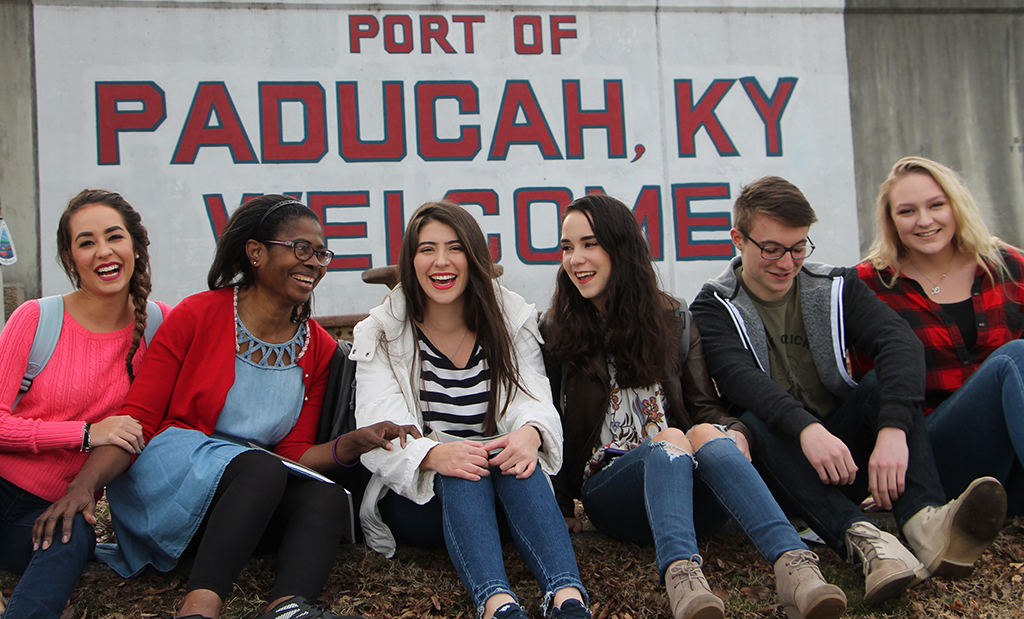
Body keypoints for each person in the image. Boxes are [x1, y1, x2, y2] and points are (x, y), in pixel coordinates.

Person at [33, 195, 416, 619]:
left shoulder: (318, 348)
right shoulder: (197, 314)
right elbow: (136, 422)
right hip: (171, 486)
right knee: (260, 467)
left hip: (242, 502)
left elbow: (294, 455)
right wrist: (83, 487)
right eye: (300, 249)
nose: (314, 263)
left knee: (323, 497)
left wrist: (352, 443)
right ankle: (199, 607)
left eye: (321, 253)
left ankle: (289, 606)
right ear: (255, 252)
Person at [690, 176, 1007, 606]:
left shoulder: (835, 286)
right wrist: (806, 429)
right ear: (738, 240)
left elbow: (899, 343)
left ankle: (925, 525)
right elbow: (741, 380)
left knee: (881, 384)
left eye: (799, 247)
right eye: (772, 249)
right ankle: (868, 542)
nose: (787, 262)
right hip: (778, 467)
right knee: (750, 421)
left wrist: (892, 430)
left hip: (843, 455)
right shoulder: (712, 305)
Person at [540, 194, 846, 619]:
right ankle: (683, 581)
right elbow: (549, 422)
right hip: (611, 493)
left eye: (589, 244)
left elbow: (705, 408)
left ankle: (796, 570)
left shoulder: (674, 319)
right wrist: (558, 505)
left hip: (687, 488)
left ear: (620, 247)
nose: (575, 258)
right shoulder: (556, 329)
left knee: (704, 433)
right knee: (670, 437)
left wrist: (735, 431)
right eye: (567, 247)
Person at [352, 201, 589, 619]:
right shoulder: (382, 331)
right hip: (420, 500)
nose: (441, 261)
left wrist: (530, 434)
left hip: (501, 492)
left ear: (474, 256)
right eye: (427, 249)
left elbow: (534, 397)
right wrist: (434, 454)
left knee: (513, 457)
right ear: (411, 260)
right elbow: (378, 428)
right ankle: (497, 604)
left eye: (455, 247)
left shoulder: (509, 317)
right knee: (462, 466)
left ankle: (567, 599)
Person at [0, 189, 168, 619]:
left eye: (114, 237)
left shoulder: (160, 329)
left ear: (135, 245)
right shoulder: (37, 318)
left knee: (73, 539)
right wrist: (85, 433)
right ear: (69, 257)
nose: (103, 252)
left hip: (56, 509)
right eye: (86, 242)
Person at [857, 156, 1024, 516]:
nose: (925, 221)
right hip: (931, 453)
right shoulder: (870, 285)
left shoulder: (1008, 266)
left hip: (1010, 450)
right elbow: (859, 386)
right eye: (907, 211)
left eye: (936, 205)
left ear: (956, 206)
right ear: (891, 221)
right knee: (1016, 357)